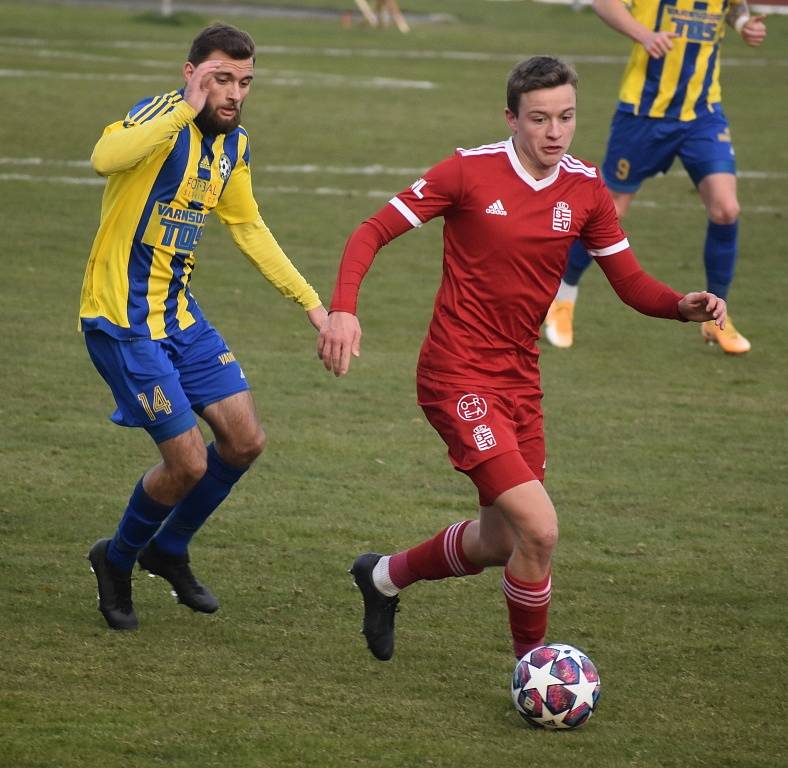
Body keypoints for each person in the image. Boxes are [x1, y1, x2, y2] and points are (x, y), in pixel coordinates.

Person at [317, 56, 726, 662]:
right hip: (455, 376)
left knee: (500, 541)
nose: (555, 132)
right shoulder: (468, 172)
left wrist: (678, 306)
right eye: (539, 119)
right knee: (541, 528)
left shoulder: (586, 188)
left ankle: (382, 577)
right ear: (512, 118)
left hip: (519, 381)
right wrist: (344, 308)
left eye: (566, 117)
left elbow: (630, 281)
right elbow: (369, 231)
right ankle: (532, 669)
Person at [80, 22, 327, 630]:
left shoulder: (233, 146)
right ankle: (115, 559)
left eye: (244, 81)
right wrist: (180, 110)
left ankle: (168, 548)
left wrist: (313, 304)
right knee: (187, 462)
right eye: (221, 78)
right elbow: (102, 158)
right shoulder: (159, 117)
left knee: (245, 440)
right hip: (121, 322)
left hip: (180, 318)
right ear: (190, 73)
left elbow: (247, 227)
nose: (234, 93)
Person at [543, 0, 766, 354]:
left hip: (703, 115)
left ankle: (715, 316)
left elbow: (735, 7)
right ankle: (563, 298)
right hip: (642, 115)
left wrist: (742, 24)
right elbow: (603, 4)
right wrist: (643, 34)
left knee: (726, 209)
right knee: (610, 212)